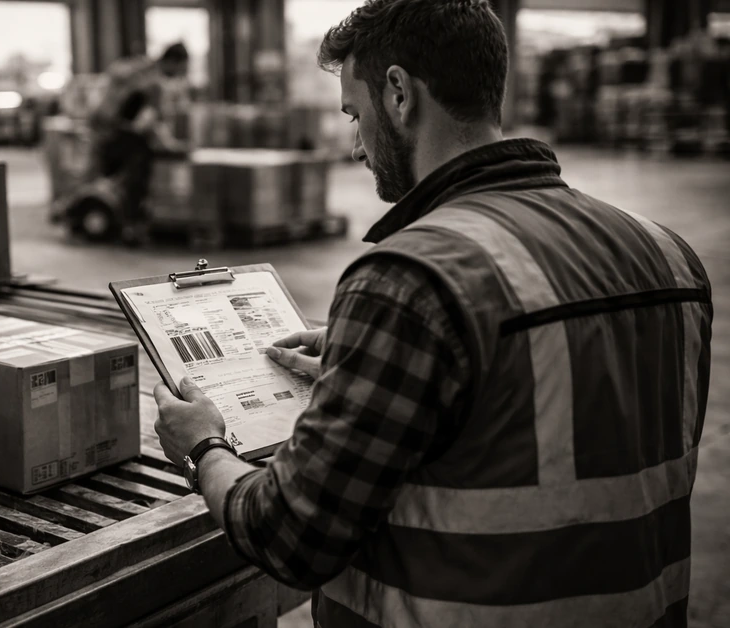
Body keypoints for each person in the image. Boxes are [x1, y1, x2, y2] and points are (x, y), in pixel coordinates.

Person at [152, 1, 712, 627]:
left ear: (398, 94)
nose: (357, 146)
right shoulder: (668, 254)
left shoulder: (410, 278)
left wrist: (201, 444)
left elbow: (291, 535)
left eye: (354, 115)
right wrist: (382, 359)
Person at [89, 43, 190, 244]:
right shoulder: (152, 82)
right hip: (118, 136)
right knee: (140, 167)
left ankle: (128, 218)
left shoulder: (140, 70)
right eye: (180, 68)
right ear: (172, 62)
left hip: (106, 133)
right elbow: (148, 122)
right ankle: (131, 226)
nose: (180, 74)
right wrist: (171, 146)